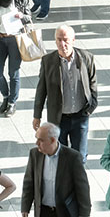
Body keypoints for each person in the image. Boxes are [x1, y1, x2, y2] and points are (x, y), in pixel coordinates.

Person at [33, 25, 98, 164]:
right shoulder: (48, 61)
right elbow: (41, 90)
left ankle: (77, 183)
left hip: (80, 116)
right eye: (59, 40)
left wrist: (91, 106)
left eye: (66, 40)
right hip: (58, 119)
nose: (63, 44)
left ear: (73, 40)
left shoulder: (86, 58)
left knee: (80, 157)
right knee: (59, 156)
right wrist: (36, 115)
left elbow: (93, 83)